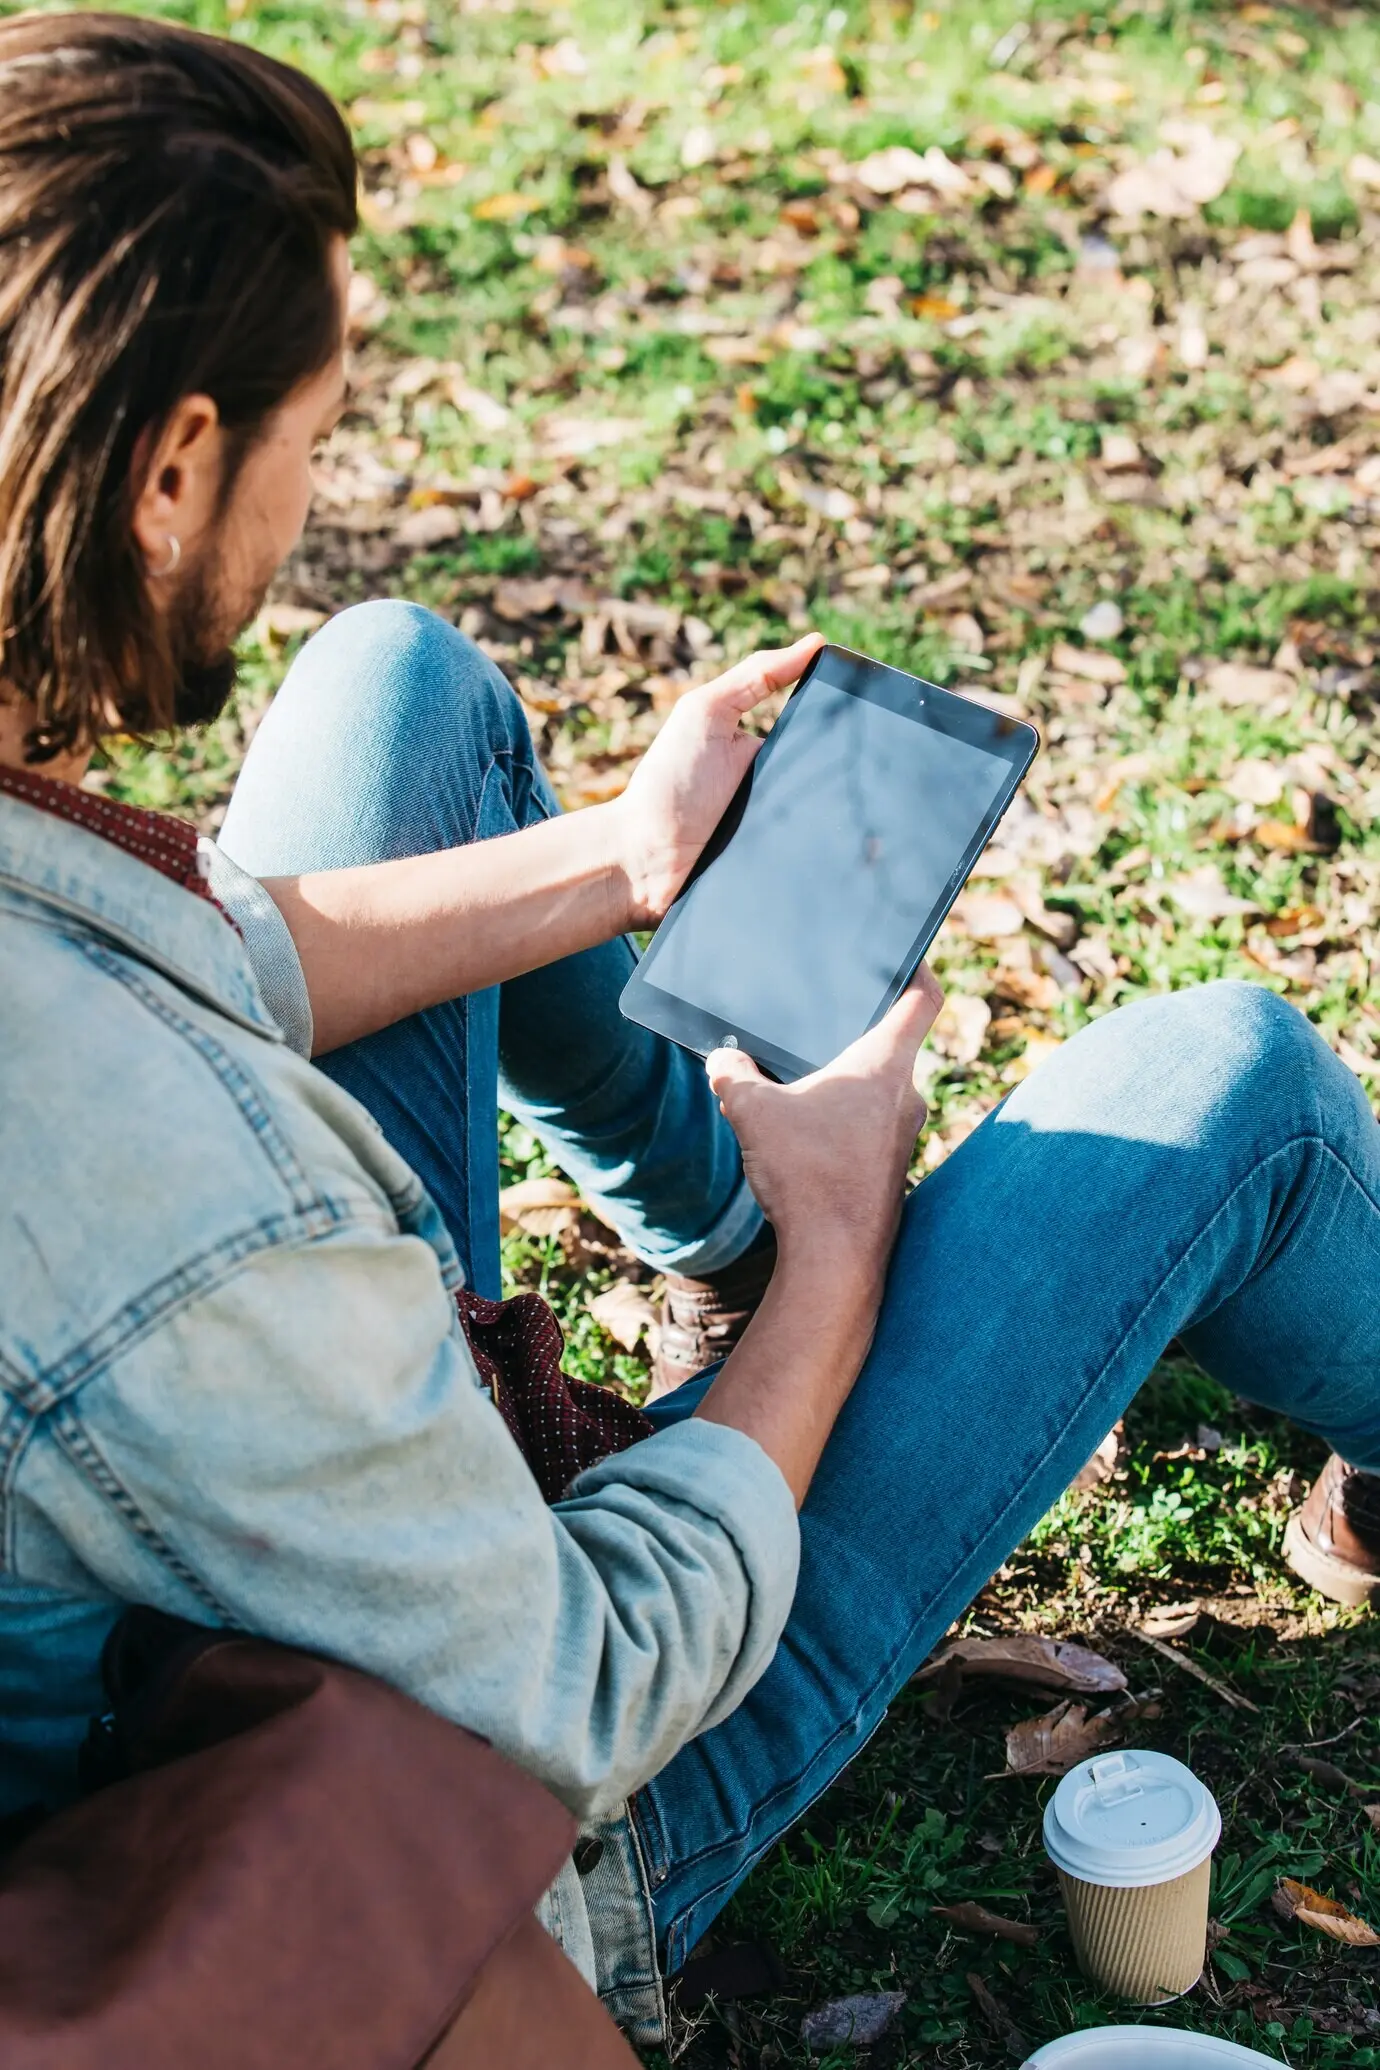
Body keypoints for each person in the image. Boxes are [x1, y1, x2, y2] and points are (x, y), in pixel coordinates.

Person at [1, 12, 1377, 2047]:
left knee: (400, 686)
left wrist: (623, 856)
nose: (318, 485)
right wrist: (837, 1266)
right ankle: (780, 1260)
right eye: (315, 432)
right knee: (1237, 1087)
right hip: (446, 1842)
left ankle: (721, 1218)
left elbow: (171, 957)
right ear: (172, 469)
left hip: (252, 1522)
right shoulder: (169, 1202)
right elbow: (581, 1674)